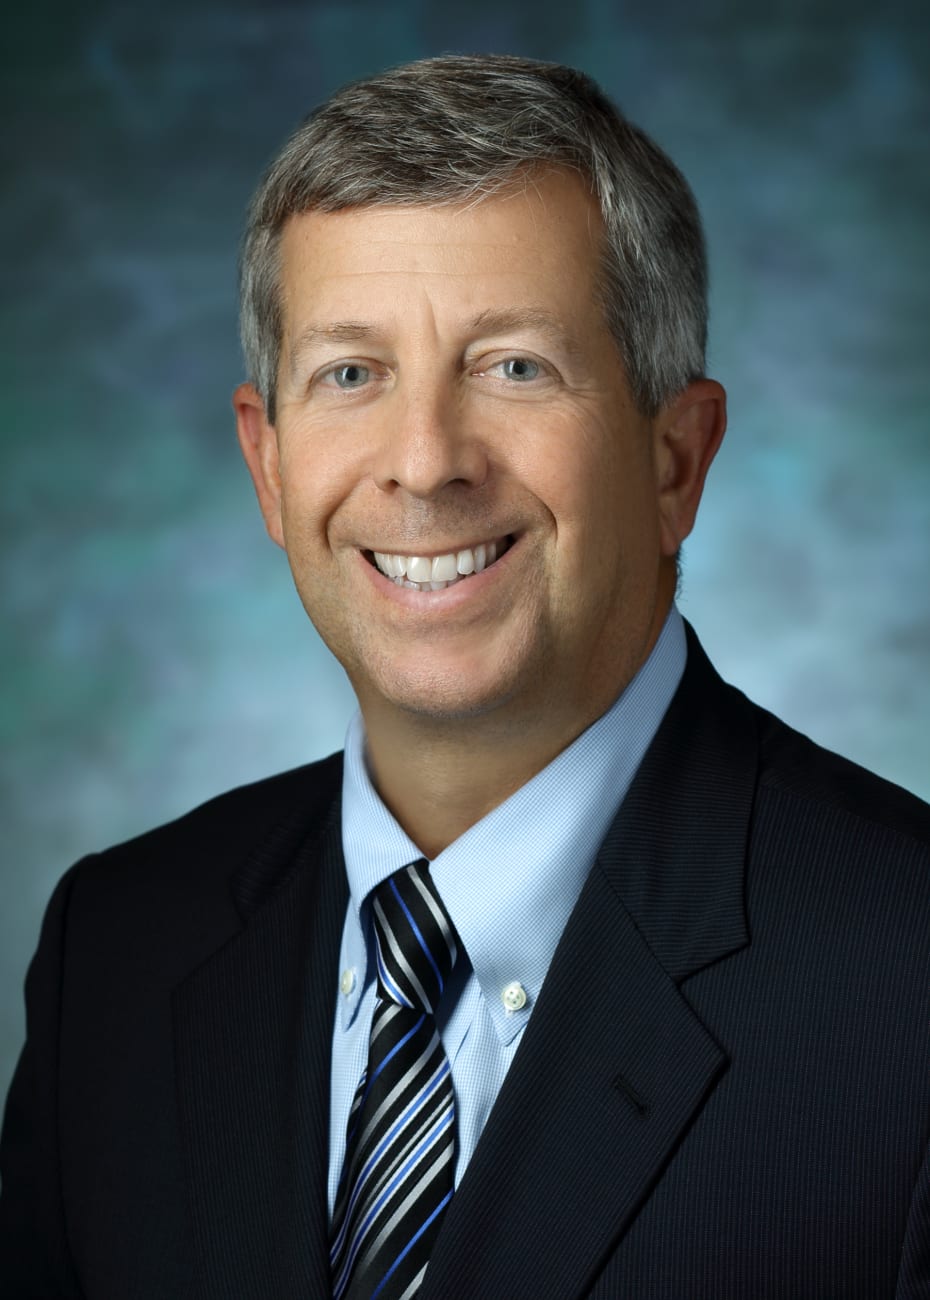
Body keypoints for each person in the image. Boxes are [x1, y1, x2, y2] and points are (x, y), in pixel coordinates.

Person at [1, 53, 928, 1300]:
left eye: (514, 367)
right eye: (351, 374)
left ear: (675, 462)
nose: (426, 463)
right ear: (269, 467)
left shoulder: (905, 976)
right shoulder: (115, 951)